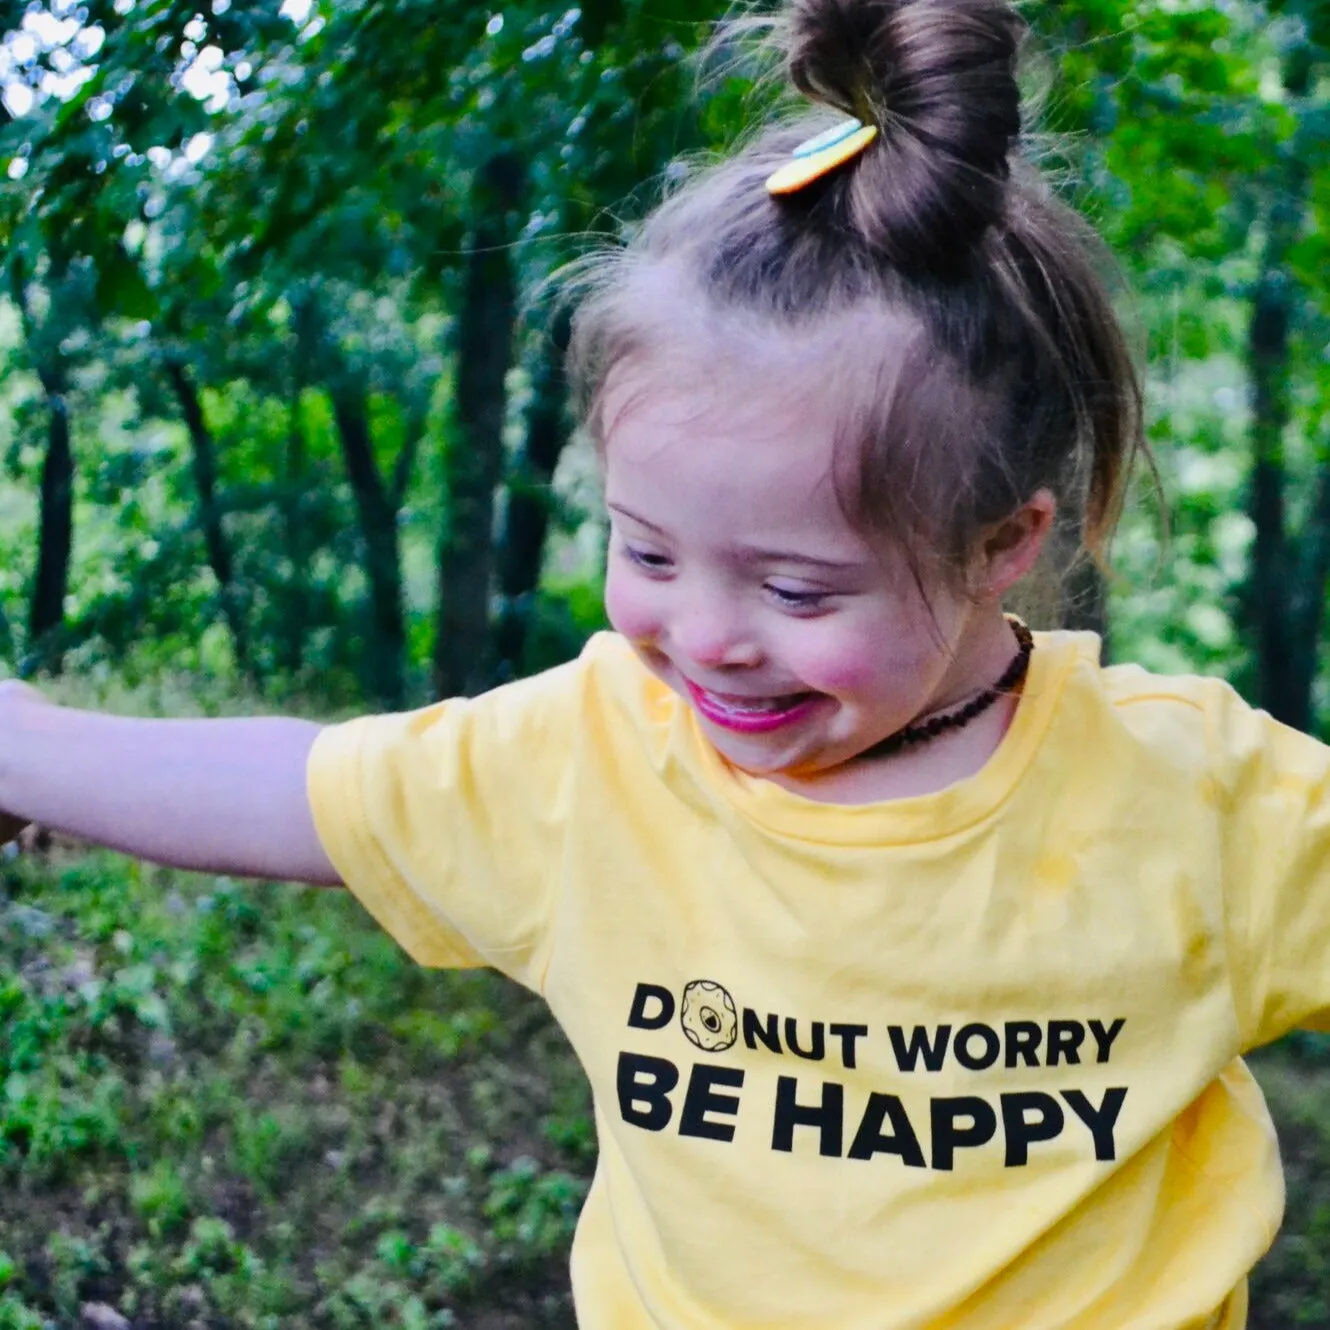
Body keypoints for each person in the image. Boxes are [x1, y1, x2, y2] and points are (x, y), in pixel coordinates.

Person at [0, 1, 1320, 1326]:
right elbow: (304, 793)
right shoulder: (595, 753)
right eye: (647, 552)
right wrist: (28, 743)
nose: (703, 636)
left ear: (999, 544)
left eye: (796, 586)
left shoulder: (1195, 799)